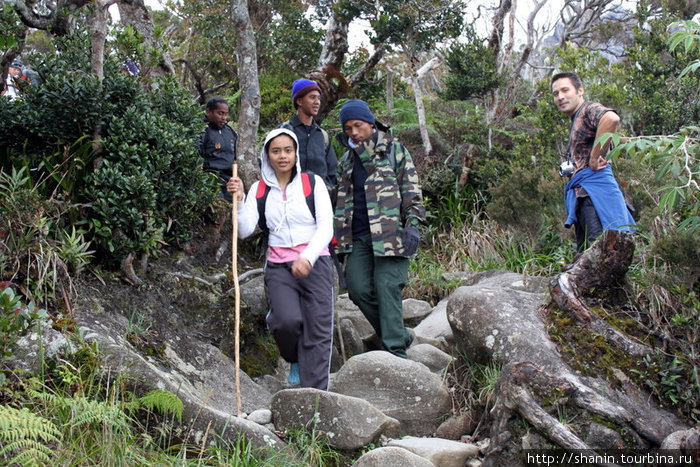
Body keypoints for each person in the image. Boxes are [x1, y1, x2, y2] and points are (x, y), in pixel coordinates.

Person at [226, 128, 335, 390]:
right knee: (285, 321)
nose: (282, 156)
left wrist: (307, 257)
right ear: (267, 155)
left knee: (318, 331)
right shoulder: (260, 190)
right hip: (278, 266)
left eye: (288, 150)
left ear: (296, 153)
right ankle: (294, 358)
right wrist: (239, 202)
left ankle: (315, 397)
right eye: (276, 151)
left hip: (316, 262)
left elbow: (326, 227)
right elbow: (244, 230)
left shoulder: (313, 183)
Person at [335, 100, 425, 359]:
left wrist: (413, 226)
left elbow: (411, 191)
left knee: (387, 286)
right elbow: (339, 202)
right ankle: (399, 334)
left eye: (358, 125)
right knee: (358, 289)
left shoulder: (394, 150)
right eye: (348, 127)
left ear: (371, 124)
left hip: (390, 236)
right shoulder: (346, 161)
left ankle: (396, 352)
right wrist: (339, 242)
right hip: (358, 237)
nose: (353, 132)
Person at [551, 72, 635, 252]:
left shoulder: (588, 109)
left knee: (599, 251)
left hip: (595, 194)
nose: (560, 97)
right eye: (556, 93)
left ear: (580, 91)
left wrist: (594, 158)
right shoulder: (576, 118)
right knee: (587, 254)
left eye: (565, 90)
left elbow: (611, 118)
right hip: (583, 194)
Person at [280, 79, 337, 189]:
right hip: (291, 199)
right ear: (299, 101)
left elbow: (332, 172)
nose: (317, 102)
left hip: (319, 200)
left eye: (319, 98)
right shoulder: (284, 131)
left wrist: (327, 191)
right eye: (312, 97)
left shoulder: (322, 136)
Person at [199, 97, 238, 202]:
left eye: (225, 114)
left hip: (230, 179)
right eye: (220, 113)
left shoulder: (229, 131)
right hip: (211, 178)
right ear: (208, 112)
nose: (223, 117)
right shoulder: (203, 130)